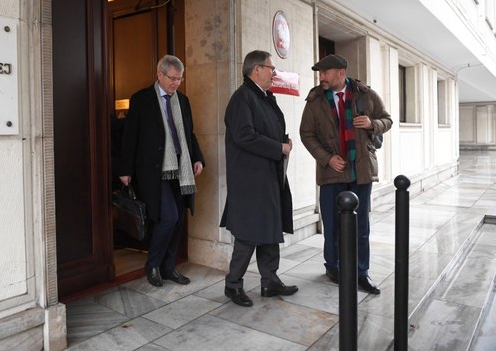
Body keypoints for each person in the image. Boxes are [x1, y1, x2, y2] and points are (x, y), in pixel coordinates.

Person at [299, 54, 392, 295]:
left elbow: (387, 120)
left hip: (360, 171)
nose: (321, 78)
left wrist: (372, 124)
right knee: (331, 225)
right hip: (332, 173)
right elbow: (306, 133)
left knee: (361, 226)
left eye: (325, 73)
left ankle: (362, 272)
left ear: (340, 73)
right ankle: (334, 267)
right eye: (320, 74)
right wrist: (327, 158)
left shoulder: (365, 94)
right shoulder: (315, 100)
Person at [119, 55, 205, 287]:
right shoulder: (142, 99)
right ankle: (153, 265)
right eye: (173, 78)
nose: (177, 83)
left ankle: (169, 268)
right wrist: (125, 169)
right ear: (160, 75)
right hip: (154, 169)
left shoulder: (183, 101)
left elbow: (190, 133)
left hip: (180, 167)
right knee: (169, 217)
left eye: (180, 78)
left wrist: (197, 158)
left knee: (178, 220)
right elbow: (130, 135)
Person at [221, 50, 298, 307]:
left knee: (270, 229)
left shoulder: (264, 97)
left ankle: (270, 281)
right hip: (250, 180)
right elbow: (245, 136)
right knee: (248, 235)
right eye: (270, 68)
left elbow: (268, 129)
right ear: (256, 69)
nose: (274, 72)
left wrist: (282, 141)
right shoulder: (242, 98)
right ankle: (233, 285)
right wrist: (278, 148)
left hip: (268, 176)